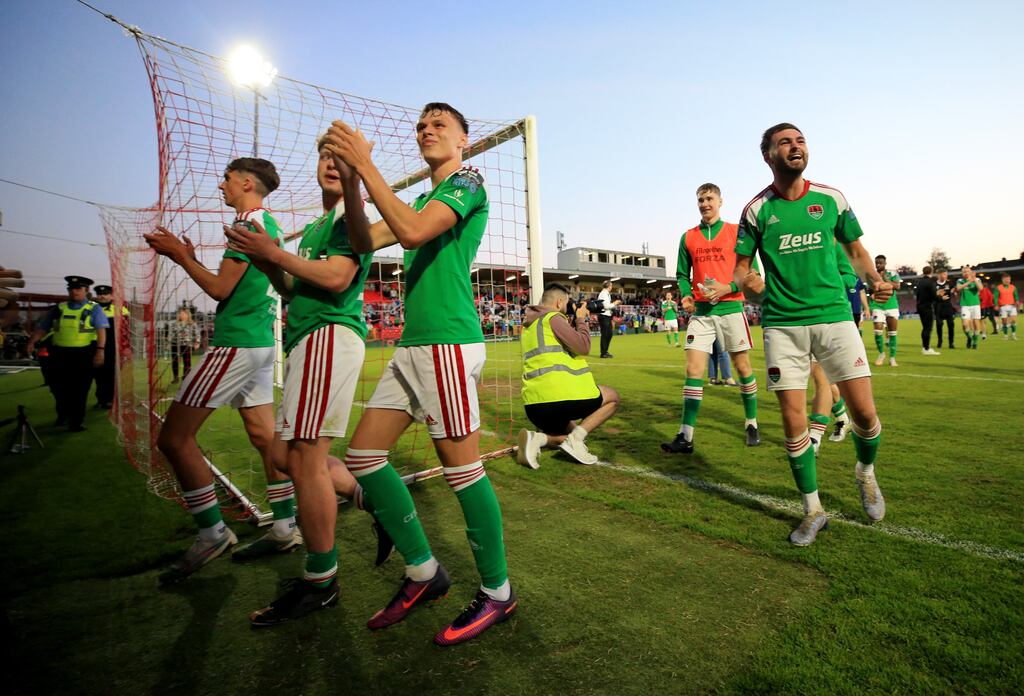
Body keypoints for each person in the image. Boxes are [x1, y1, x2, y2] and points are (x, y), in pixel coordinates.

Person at [325, 102, 517, 646]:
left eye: (440, 125)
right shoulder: (420, 197)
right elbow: (366, 242)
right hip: (414, 346)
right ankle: (423, 572)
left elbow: (409, 234)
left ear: (465, 143)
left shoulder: (468, 182)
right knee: (363, 457)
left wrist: (365, 164)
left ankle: (499, 593)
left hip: (450, 344)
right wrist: (357, 186)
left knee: (463, 471)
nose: (427, 130)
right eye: (422, 125)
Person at [224, 134, 385, 625]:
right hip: (306, 339)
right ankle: (373, 501)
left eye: (341, 158)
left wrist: (274, 252)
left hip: (328, 336)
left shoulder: (349, 220)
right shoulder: (316, 225)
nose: (331, 165)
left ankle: (321, 580)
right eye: (324, 157)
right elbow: (292, 286)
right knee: (284, 454)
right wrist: (270, 259)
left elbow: (336, 279)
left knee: (306, 459)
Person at [733, 123, 893, 546]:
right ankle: (813, 509)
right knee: (792, 420)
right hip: (783, 326)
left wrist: (873, 280)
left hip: (835, 318)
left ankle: (866, 473)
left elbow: (856, 252)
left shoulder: (831, 198)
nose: (795, 146)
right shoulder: (755, 211)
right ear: (767, 155)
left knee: (864, 414)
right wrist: (756, 285)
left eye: (800, 140)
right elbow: (740, 269)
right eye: (785, 142)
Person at [142, 157, 298, 584]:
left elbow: (219, 289)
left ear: (247, 183)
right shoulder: (269, 223)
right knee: (264, 436)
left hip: (237, 343)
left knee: (174, 439)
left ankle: (212, 532)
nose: (221, 185)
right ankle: (285, 526)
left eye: (227, 179)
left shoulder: (248, 226)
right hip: (261, 342)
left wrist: (178, 256)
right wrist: (191, 257)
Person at [662, 183, 760, 455]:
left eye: (709, 198)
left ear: (720, 201)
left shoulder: (735, 232)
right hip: (702, 314)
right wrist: (685, 295)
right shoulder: (688, 237)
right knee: (693, 371)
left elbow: (752, 273)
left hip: (730, 310)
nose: (705, 203)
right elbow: (683, 275)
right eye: (701, 199)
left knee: (742, 368)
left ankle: (751, 422)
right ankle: (686, 436)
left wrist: (727, 288)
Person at [516, 282, 619, 469]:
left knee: (570, 435)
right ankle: (574, 440)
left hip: (534, 407)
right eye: (566, 304)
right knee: (612, 397)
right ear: (558, 303)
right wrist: (580, 319)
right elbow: (583, 347)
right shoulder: (553, 318)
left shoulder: (529, 326)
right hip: (560, 399)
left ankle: (538, 439)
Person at [27, 276, 108, 431]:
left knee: (80, 389)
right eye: (71, 289)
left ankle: (76, 421)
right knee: (59, 387)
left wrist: (100, 352)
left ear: (86, 291)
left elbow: (101, 331)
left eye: (78, 289)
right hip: (59, 354)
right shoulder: (59, 308)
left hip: (83, 354)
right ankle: (62, 414)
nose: (74, 292)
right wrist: (32, 341)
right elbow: (44, 328)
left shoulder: (94, 308)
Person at [90, 284, 128, 409]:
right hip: (95, 346)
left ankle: (111, 399)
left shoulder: (121, 310)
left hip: (113, 347)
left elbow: (126, 331)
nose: (102, 296)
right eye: (99, 294)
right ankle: (101, 399)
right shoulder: (90, 309)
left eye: (105, 293)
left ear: (111, 295)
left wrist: (126, 347)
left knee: (112, 374)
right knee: (98, 375)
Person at [869, 255, 902, 366]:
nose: (878, 265)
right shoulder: (872, 275)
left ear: (885, 263)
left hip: (891, 306)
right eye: (876, 263)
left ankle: (892, 358)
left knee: (892, 333)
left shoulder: (892, 274)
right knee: (878, 331)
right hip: (877, 306)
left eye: (880, 263)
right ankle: (881, 354)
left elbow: (897, 287)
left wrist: (886, 280)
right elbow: (870, 290)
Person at [168, 306, 200, 383]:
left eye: (183, 313)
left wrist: (197, 342)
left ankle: (186, 378)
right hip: (175, 344)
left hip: (187, 345)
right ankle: (175, 378)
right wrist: (168, 342)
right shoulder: (174, 324)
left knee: (187, 362)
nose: (181, 314)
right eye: (180, 313)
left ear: (187, 315)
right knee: (175, 362)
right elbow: (170, 334)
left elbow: (197, 334)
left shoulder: (192, 324)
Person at [955, 265, 983, 349]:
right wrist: (968, 282)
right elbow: (958, 288)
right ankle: (969, 338)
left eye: (967, 271)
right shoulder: (960, 280)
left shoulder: (977, 279)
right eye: (964, 272)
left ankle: (975, 342)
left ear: (970, 272)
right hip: (965, 305)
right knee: (964, 325)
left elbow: (981, 288)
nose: (965, 273)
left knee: (976, 324)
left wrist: (974, 280)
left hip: (975, 305)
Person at [915, 266, 940, 355]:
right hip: (927, 307)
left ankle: (924, 347)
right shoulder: (931, 282)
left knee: (925, 327)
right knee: (928, 328)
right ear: (931, 272)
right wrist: (940, 298)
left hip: (920, 306)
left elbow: (917, 294)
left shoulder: (919, 282)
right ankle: (926, 348)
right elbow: (934, 295)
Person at [597, 280, 620, 358]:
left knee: (609, 334)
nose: (612, 287)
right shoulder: (604, 294)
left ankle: (605, 352)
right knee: (605, 334)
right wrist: (615, 303)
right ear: (609, 286)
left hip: (606, 316)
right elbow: (606, 306)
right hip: (604, 316)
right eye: (611, 285)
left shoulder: (606, 293)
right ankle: (603, 353)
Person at [934, 268, 956, 349]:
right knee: (939, 325)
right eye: (943, 274)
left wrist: (954, 291)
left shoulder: (950, 283)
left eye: (946, 274)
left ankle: (951, 342)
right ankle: (940, 341)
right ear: (938, 275)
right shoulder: (933, 284)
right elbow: (930, 295)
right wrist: (938, 295)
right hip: (938, 307)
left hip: (948, 307)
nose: (945, 276)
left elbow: (954, 290)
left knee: (951, 325)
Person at [995, 273, 1019, 339]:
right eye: (1005, 279)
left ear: (1010, 280)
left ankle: (1013, 334)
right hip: (1003, 307)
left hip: (1012, 306)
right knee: (1004, 322)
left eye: (1008, 279)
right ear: (1002, 280)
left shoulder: (1013, 287)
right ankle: (1005, 335)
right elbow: (996, 297)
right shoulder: (998, 288)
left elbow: (1016, 296)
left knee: (1013, 321)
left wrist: (1017, 302)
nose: (1007, 280)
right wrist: (996, 305)